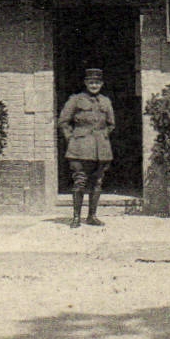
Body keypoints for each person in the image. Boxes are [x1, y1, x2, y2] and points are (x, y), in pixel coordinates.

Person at [57, 68, 114, 228]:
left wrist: (101, 137)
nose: (94, 85)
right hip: (80, 148)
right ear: (86, 83)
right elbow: (63, 122)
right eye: (91, 82)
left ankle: (92, 216)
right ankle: (76, 217)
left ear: (101, 84)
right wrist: (73, 138)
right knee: (80, 181)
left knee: (97, 182)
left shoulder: (106, 101)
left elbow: (111, 124)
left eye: (97, 82)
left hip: (101, 150)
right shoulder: (75, 100)